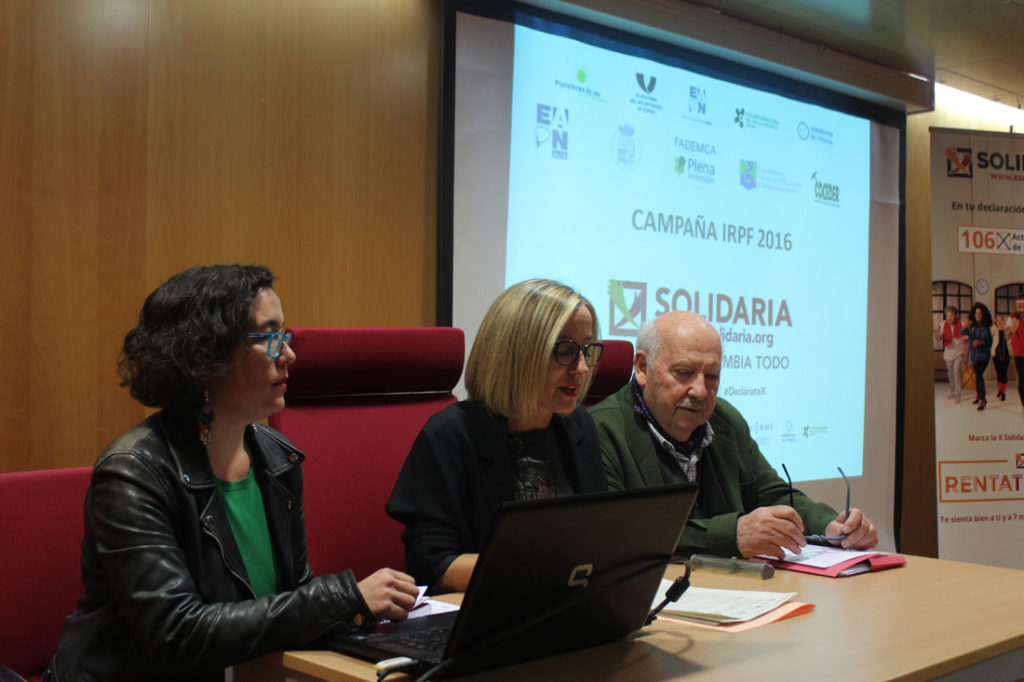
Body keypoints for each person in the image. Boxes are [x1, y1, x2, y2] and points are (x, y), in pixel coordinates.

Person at [47, 265, 418, 682]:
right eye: (271, 337)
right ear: (207, 355)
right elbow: (179, 634)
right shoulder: (133, 473)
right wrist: (344, 598)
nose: (289, 354)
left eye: (285, 335)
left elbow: (290, 601)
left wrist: (362, 616)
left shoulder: (276, 458)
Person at [590, 311, 878, 560]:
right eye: (684, 372)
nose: (700, 391)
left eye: (712, 376)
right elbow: (621, 532)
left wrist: (831, 526)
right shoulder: (600, 431)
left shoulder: (724, 420)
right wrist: (731, 534)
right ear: (642, 368)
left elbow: (772, 494)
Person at [386, 279, 608, 592]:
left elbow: (597, 536)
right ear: (516, 355)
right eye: (565, 351)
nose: (582, 368)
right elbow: (431, 566)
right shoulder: (450, 435)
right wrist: (540, 568)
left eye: (587, 350)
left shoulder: (578, 426)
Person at [965, 302, 993, 411]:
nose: (978, 315)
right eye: (976, 313)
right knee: (977, 376)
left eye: (980, 313)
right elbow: (962, 331)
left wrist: (981, 342)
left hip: (984, 357)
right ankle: (978, 395)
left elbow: (989, 343)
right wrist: (965, 325)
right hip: (974, 356)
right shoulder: (972, 327)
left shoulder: (986, 329)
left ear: (983, 315)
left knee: (979, 375)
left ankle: (983, 399)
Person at [935, 305, 966, 403]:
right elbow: (938, 338)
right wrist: (939, 335)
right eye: (948, 315)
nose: (950, 318)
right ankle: (952, 391)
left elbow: (966, 340)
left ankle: (958, 395)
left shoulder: (962, 324)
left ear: (956, 316)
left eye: (951, 315)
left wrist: (967, 354)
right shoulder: (943, 324)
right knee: (950, 373)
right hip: (948, 353)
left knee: (956, 372)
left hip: (959, 352)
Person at [1011, 298, 1024, 421]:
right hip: (1019, 352)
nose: (1022, 309)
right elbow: (1008, 334)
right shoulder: (1013, 318)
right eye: (1019, 306)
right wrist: (1013, 326)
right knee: (1022, 377)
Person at [993, 313, 1012, 401]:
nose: (999, 322)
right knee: (998, 372)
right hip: (996, 354)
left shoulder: (1006, 330)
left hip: (1006, 354)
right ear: (995, 321)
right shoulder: (993, 330)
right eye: (998, 320)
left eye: (1001, 320)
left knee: (1004, 373)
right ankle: (999, 390)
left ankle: (1003, 392)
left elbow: (1010, 339)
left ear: (1003, 321)